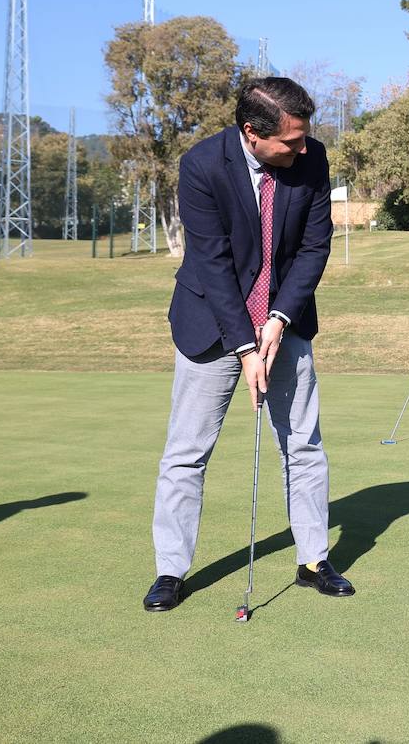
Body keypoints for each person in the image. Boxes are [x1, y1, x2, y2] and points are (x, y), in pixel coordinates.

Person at [143, 77, 353, 612]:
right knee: (186, 454)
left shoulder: (311, 158)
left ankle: (313, 560)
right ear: (252, 134)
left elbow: (314, 246)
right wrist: (245, 346)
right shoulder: (201, 165)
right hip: (212, 325)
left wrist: (278, 321)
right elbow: (212, 265)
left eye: (305, 138)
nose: (302, 149)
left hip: (286, 321)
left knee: (303, 446)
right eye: (290, 142)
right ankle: (170, 570)